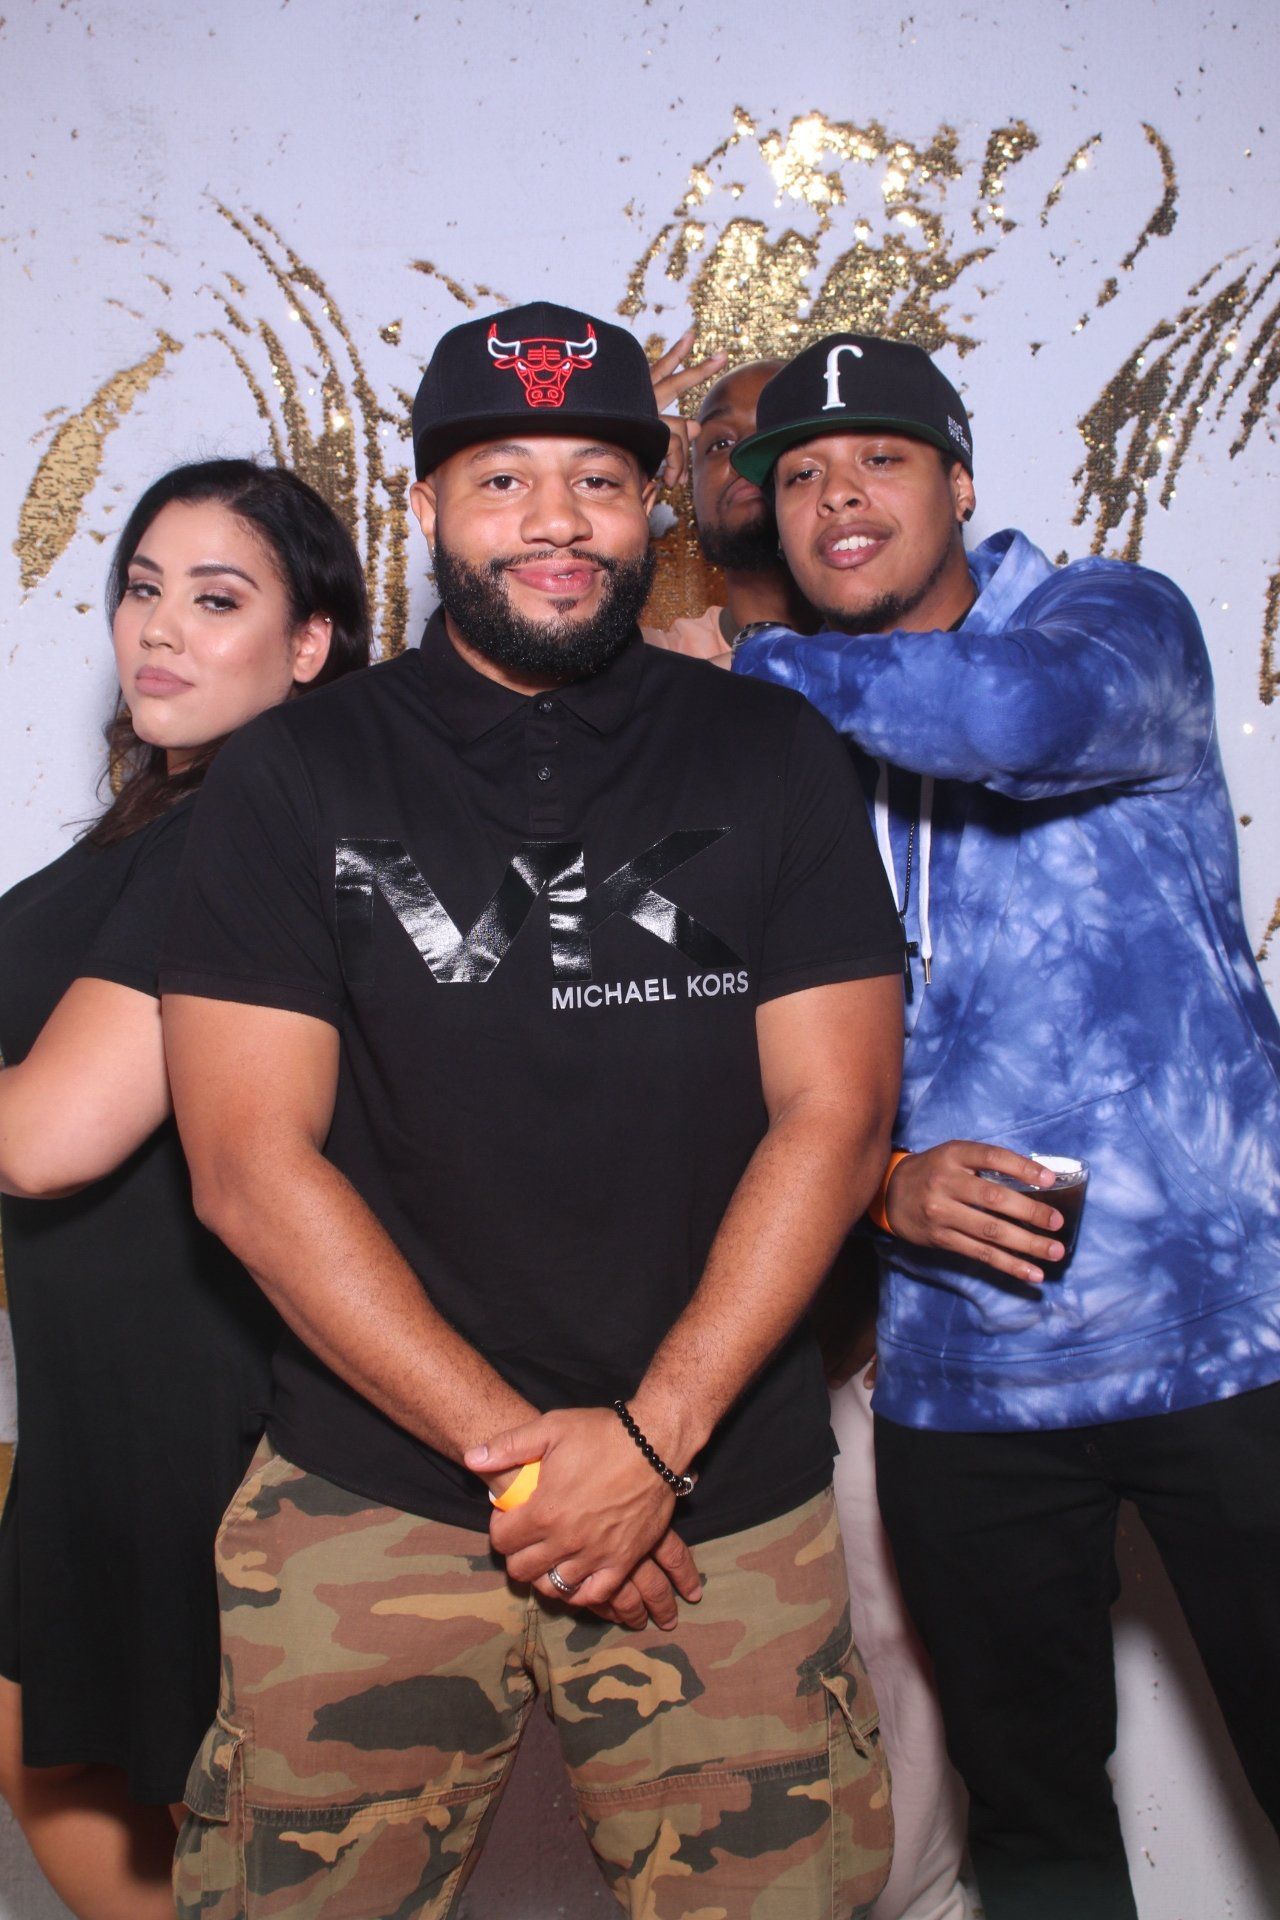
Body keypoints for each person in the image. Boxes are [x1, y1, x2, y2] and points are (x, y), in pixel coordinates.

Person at [160, 301, 904, 1919]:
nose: (555, 521)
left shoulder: (774, 750)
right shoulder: (296, 771)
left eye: (598, 480)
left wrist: (651, 1440)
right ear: (425, 506)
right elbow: (246, 1164)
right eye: (503, 479)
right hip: (370, 1493)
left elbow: (837, 1120)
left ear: (652, 509)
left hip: (721, 1495)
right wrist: (536, 1467)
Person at [729, 332, 1280, 1920]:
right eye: (803, 474)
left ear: (960, 482)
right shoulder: (776, 761)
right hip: (964, 1382)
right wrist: (884, 1185)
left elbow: (1009, 719)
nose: (840, 496)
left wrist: (747, 664)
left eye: (881, 459)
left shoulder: (1111, 619)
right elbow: (748, 1053)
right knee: (1034, 1833)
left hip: (1230, 1341)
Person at [0, 459, 370, 1920]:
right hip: (97, 1394)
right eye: (142, 588)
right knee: (56, 1753)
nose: (157, 626)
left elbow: (51, 1135)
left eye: (216, 600)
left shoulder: (240, 830)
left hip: (191, 1399)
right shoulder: (161, 816)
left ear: (309, 645)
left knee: (202, 1812)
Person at [653, 344, 973, 1920]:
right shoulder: (644, 670)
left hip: (887, 1294)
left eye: (771, 444)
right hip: (695, 1286)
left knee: (901, 1660)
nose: (749, 466)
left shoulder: (924, 671)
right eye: (721, 443)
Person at [644, 355, 814, 663]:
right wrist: (605, 453)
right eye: (721, 443)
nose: (747, 450)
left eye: (775, 429)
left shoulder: (902, 649)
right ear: (691, 490)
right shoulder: (654, 668)